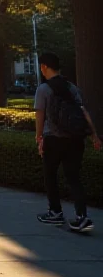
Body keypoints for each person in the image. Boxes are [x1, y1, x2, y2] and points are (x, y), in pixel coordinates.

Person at [34, 52, 101, 232]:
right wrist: (94, 135)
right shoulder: (72, 88)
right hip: (75, 139)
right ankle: (82, 217)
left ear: (44, 67)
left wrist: (39, 137)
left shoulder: (43, 89)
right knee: (74, 178)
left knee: (50, 175)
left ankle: (55, 212)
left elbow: (40, 115)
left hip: (54, 139)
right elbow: (83, 112)